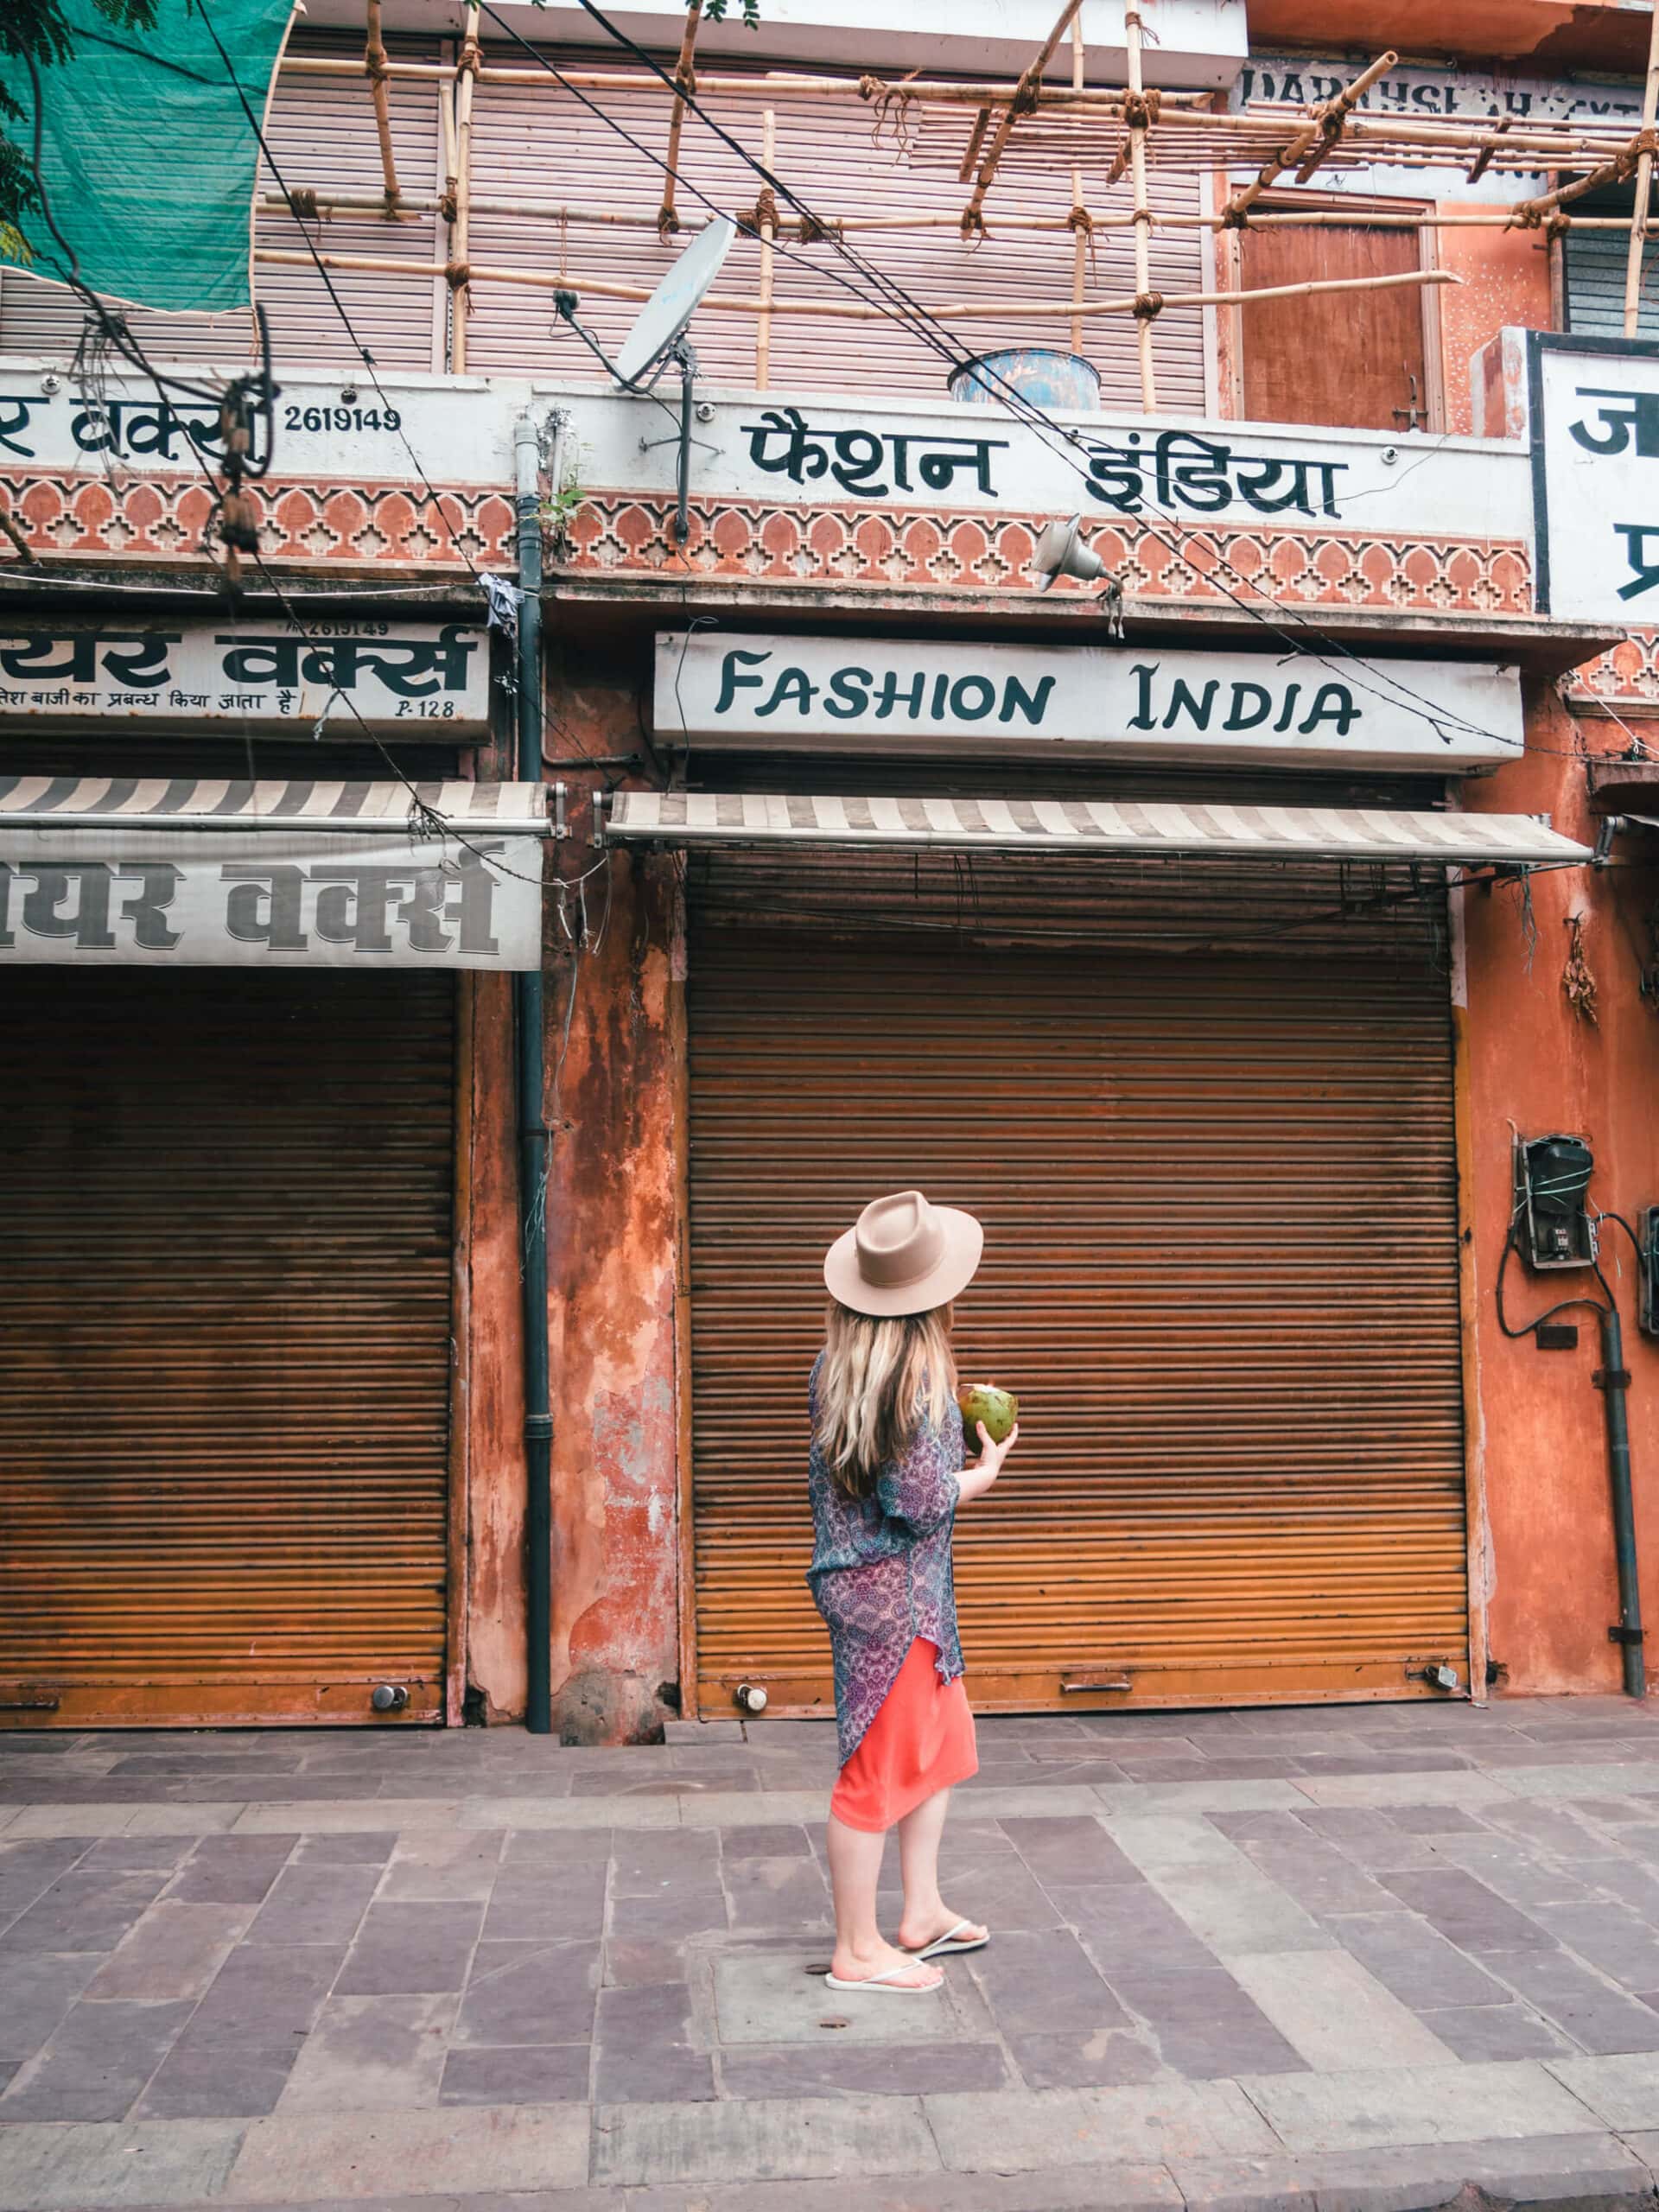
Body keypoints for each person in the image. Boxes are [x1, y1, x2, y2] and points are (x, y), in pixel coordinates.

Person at [808, 1188, 1020, 1995]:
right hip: (898, 1601)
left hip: (877, 1588)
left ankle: (920, 1911)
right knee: (875, 1771)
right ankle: (856, 1950)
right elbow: (920, 1500)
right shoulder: (922, 1378)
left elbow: (880, 1477)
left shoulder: (841, 1366)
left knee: (938, 1748)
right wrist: (985, 1471)